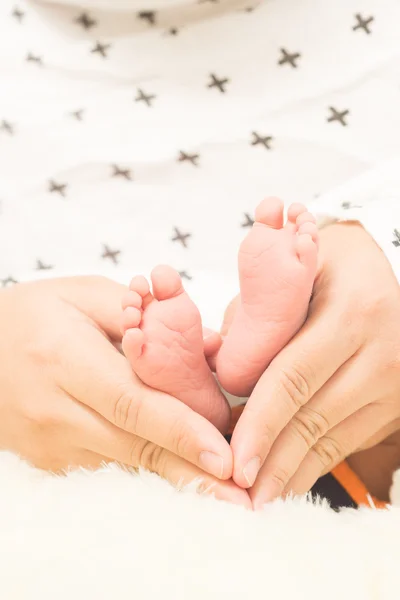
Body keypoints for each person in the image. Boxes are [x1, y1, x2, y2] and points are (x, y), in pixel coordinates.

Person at [2, 0, 400, 509]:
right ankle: (236, 369)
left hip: (355, 361)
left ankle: (229, 376)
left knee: (360, 415)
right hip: (69, 380)